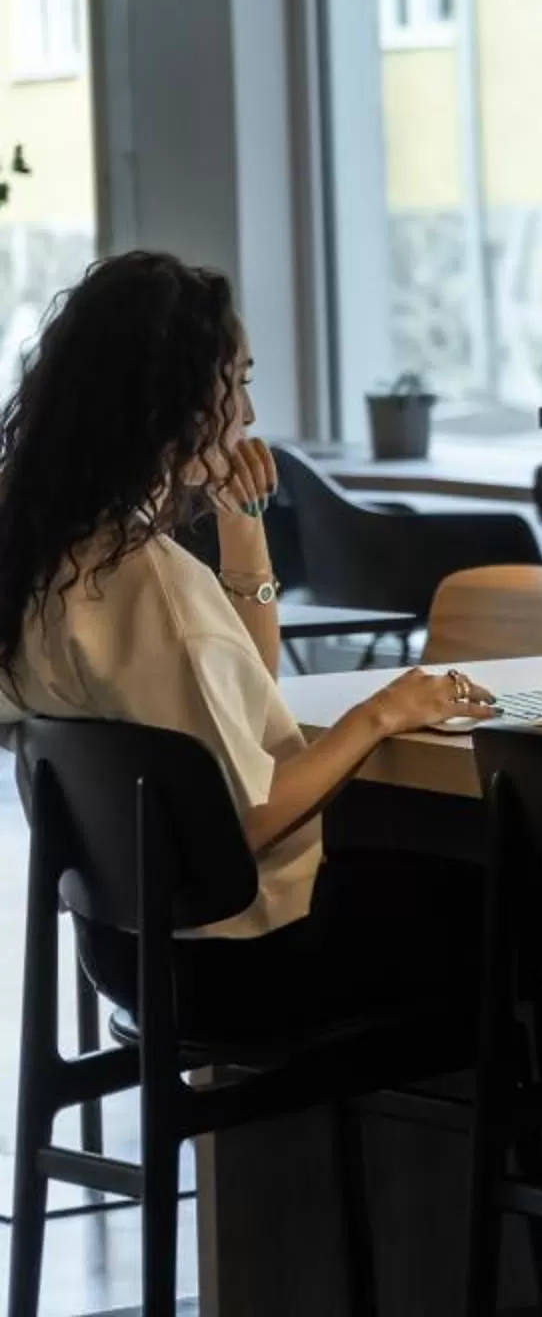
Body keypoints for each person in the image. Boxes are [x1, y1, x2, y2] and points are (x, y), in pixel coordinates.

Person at [0, 250, 495, 1027]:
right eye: (240, 385)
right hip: (244, 961)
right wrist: (384, 712)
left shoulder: (47, 556)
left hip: (126, 953)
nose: (250, 417)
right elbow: (244, 824)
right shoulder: (151, 582)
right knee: (517, 904)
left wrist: (244, 524)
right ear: (178, 402)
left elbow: (241, 698)